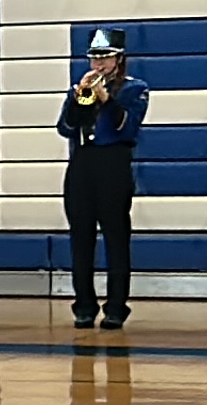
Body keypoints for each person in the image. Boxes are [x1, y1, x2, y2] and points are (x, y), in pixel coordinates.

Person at [58, 26, 150, 330]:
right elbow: (64, 127)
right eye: (94, 57)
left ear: (119, 59)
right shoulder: (79, 86)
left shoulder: (135, 88)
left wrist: (107, 99)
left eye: (105, 58)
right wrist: (77, 99)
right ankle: (84, 304)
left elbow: (128, 127)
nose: (98, 64)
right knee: (80, 238)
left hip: (113, 164)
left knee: (115, 237)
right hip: (82, 163)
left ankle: (115, 306)